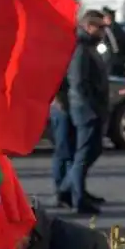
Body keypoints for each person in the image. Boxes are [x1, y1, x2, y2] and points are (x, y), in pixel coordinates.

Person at [58, 9, 109, 215]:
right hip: (86, 111)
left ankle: (71, 190)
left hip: (89, 110)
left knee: (90, 152)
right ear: (89, 27)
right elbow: (79, 83)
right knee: (83, 155)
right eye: (100, 27)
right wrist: (92, 108)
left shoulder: (88, 47)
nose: (104, 31)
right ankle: (75, 198)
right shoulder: (80, 49)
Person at [49, 77, 75, 208]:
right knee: (63, 151)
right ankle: (62, 191)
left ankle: (67, 191)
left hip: (61, 105)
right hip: (61, 106)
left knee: (65, 151)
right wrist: (59, 100)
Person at [101, 7, 125, 78]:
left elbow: (116, 49)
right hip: (117, 64)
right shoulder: (116, 29)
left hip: (114, 65)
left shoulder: (110, 30)